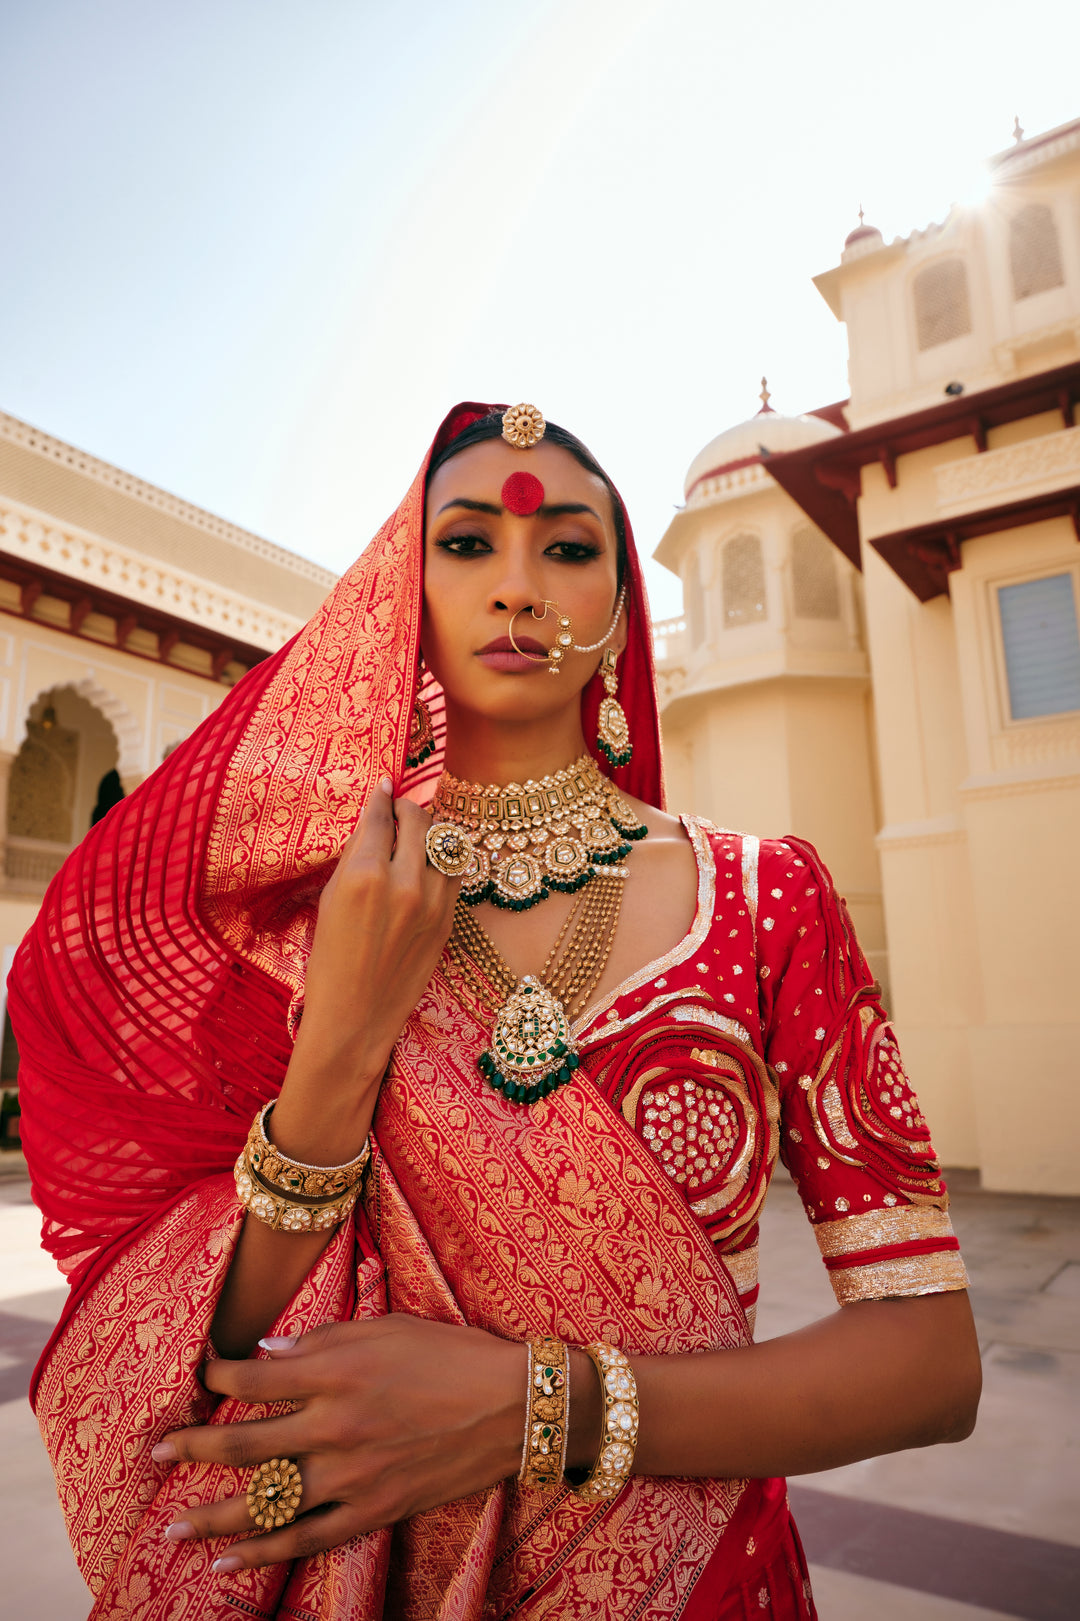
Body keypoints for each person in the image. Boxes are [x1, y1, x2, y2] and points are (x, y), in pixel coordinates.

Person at [11, 403, 981, 1620]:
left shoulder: (765, 896)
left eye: (568, 549)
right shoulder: (318, 910)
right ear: (399, 591)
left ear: (623, 611)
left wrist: (535, 1408)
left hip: (702, 1584)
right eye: (467, 544)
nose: (518, 585)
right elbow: (230, 1346)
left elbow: (931, 1364)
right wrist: (348, 1034)